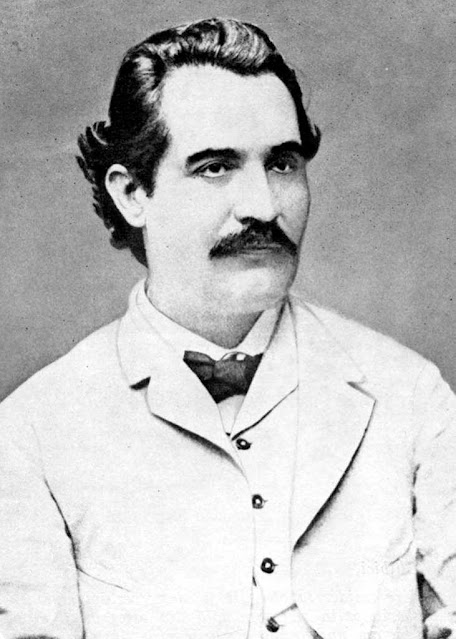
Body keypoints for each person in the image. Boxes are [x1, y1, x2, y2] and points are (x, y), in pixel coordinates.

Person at [0, 16, 455, 639]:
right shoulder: (31, 434)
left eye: (283, 164)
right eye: (215, 167)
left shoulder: (411, 395)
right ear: (132, 193)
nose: (264, 207)